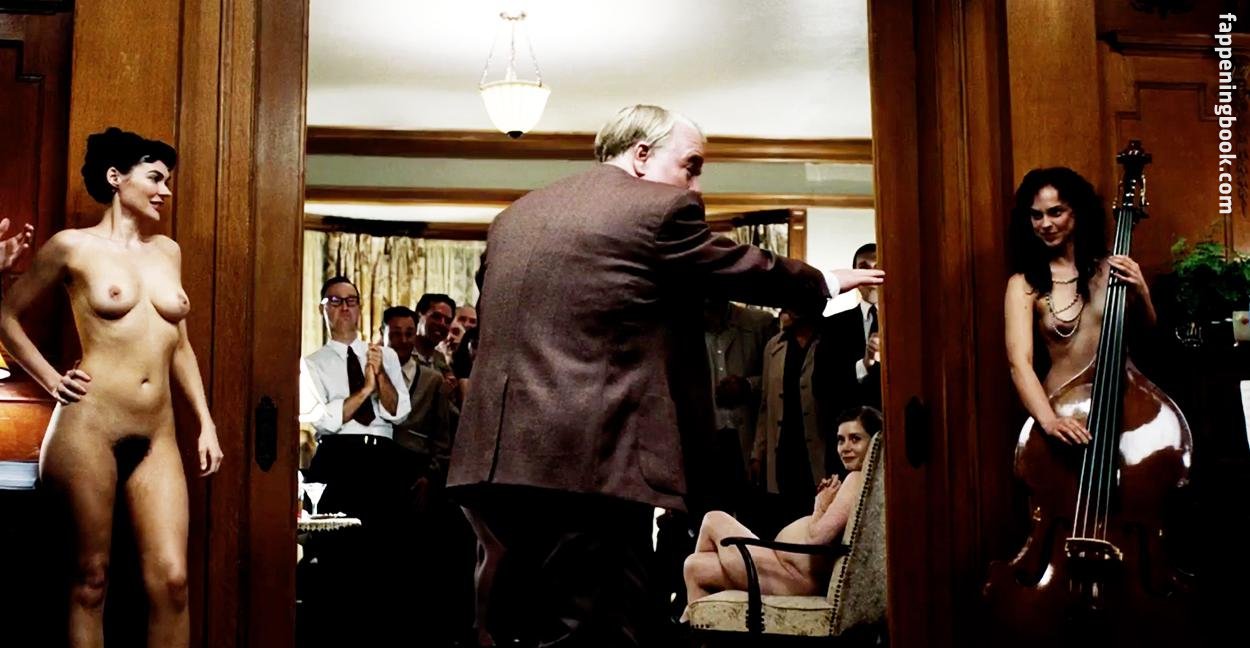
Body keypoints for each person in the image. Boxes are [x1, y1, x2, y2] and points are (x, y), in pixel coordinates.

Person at [447, 104, 884, 647]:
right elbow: (737, 267)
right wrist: (824, 280)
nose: (695, 186)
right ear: (641, 155)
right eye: (691, 166)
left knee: (510, 625)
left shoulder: (515, 217)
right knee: (603, 632)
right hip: (590, 464)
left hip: (491, 465)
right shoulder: (656, 209)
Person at [0, 127, 223, 648]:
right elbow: (5, 316)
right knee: (91, 579)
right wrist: (52, 379)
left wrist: (206, 422)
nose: (165, 191)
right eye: (156, 178)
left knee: (173, 582)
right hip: (89, 427)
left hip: (158, 433)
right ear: (116, 177)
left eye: (167, 181)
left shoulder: (167, 251)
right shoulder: (71, 246)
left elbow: (180, 346)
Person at [1004, 167, 1154, 446]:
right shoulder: (1023, 284)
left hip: (1122, 409)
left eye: (1055, 212)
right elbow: (1019, 363)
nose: (1045, 224)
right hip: (1062, 411)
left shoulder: (1113, 270)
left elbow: (1148, 336)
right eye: (1036, 215)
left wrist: (1142, 291)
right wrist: (1049, 421)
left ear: (1077, 212)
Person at [681, 406, 880, 613]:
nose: (845, 447)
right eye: (841, 440)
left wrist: (820, 505)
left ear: (874, 441)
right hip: (786, 570)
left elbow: (817, 540)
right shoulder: (862, 481)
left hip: (795, 579)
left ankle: (691, 620)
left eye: (855, 439)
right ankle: (694, 622)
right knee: (694, 567)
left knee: (713, 519)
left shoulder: (855, 479)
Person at [817, 243, 882, 417]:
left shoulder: (910, 325)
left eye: (878, 268)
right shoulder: (832, 326)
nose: (871, 276)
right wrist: (864, 365)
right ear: (854, 277)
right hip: (849, 424)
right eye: (864, 269)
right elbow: (822, 386)